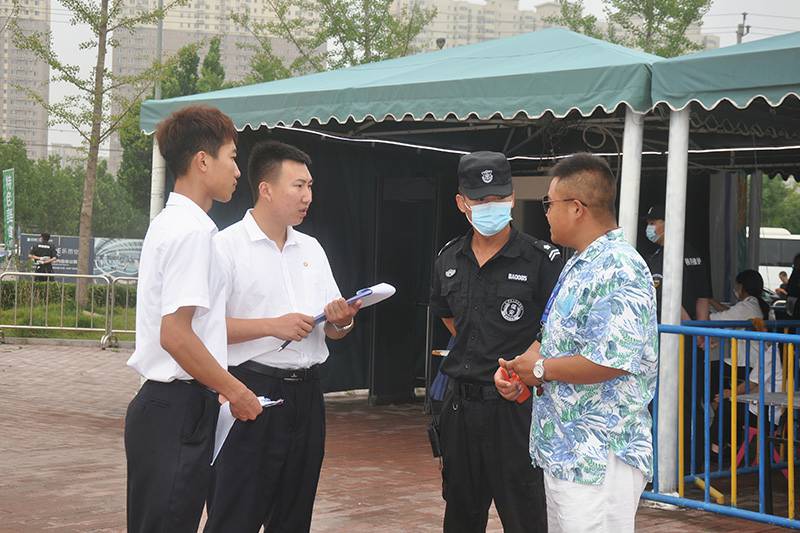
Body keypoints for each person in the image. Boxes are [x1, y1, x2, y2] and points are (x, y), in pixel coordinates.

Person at [496, 153, 658, 533]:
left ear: (576, 208)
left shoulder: (620, 268)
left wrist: (539, 369)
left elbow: (611, 360)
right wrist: (520, 370)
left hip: (599, 455)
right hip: (565, 449)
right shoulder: (579, 263)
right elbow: (551, 337)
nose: (546, 213)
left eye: (549, 203)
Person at [205, 141, 360, 533]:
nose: (308, 197)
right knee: (235, 514)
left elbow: (334, 330)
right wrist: (272, 326)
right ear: (266, 189)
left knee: (294, 514)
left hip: (307, 395)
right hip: (250, 390)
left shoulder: (312, 249)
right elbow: (203, 329)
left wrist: (342, 321)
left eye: (310, 186)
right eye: (298, 186)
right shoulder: (225, 247)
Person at [124, 105, 263, 533]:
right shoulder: (193, 232)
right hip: (176, 409)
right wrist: (236, 390)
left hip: (169, 408)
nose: (237, 171)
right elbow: (176, 335)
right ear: (203, 161)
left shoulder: (173, 222)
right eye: (232, 157)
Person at [429, 151, 562, 533]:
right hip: (461, 409)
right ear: (462, 203)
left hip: (516, 411)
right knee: (461, 516)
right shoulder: (448, 258)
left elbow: (557, 329)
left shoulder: (541, 259)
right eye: (481, 199)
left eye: (499, 198)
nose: (491, 206)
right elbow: (451, 317)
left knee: (525, 516)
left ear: (512, 196)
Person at [708, 269, 782, 452]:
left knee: (726, 402)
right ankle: (723, 445)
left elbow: (753, 383)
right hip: (760, 402)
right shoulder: (769, 341)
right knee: (721, 389)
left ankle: (717, 449)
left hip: (764, 411)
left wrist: (730, 393)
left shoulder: (769, 351)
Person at [643, 205, 711, 322]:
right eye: (648, 224)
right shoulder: (691, 251)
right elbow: (702, 297)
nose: (648, 228)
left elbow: (668, 296)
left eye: (652, 223)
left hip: (670, 326)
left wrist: (688, 326)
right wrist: (699, 328)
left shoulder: (667, 256)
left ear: (668, 224)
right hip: (690, 327)